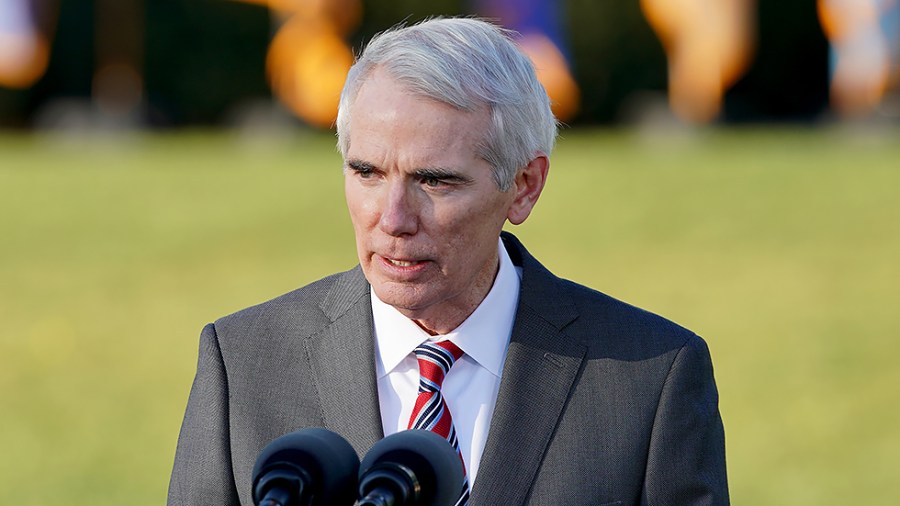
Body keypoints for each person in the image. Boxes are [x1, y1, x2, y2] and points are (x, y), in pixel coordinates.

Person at [168, 17, 728, 506]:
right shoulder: (243, 364)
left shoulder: (649, 376)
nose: (393, 218)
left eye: (434, 181)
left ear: (525, 187)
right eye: (367, 172)